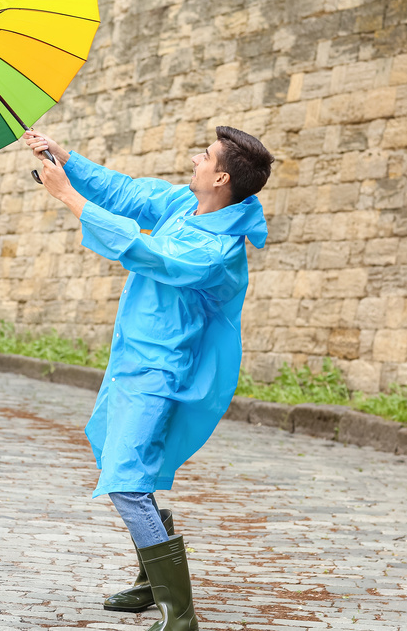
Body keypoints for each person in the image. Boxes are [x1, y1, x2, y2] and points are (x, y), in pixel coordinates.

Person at [25, 126, 272, 631]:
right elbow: (128, 191)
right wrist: (66, 159)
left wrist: (68, 196)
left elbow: (149, 255)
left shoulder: (219, 249)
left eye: (205, 156)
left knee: (125, 477)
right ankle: (147, 582)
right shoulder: (184, 204)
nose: (195, 159)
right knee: (119, 459)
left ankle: (179, 612)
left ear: (221, 176)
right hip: (131, 358)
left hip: (163, 370)